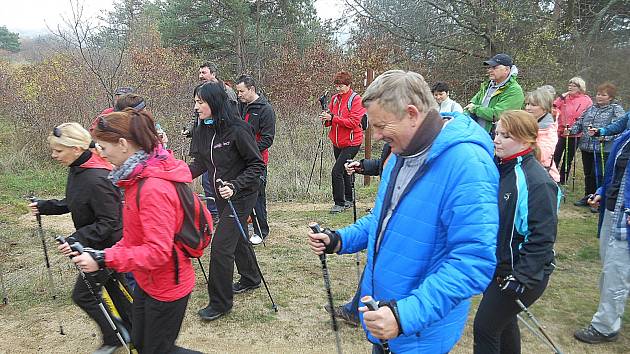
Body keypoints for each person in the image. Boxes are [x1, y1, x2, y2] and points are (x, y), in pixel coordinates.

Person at [308, 70, 498, 353]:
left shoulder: (468, 163)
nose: (377, 135)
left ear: (411, 113)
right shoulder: (402, 152)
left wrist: (405, 315)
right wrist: (339, 239)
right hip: (385, 317)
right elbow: (384, 218)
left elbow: (472, 262)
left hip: (418, 332)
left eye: (381, 125)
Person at [72, 109, 201, 354]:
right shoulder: (134, 177)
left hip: (167, 287)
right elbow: (132, 238)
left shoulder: (151, 187)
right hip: (147, 280)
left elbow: (157, 252)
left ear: (122, 144)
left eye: (103, 147)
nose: (101, 153)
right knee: (142, 345)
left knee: (155, 350)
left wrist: (104, 258)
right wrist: (100, 254)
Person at [29, 122, 126, 354]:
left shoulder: (97, 177)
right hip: (94, 246)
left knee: (84, 295)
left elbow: (110, 222)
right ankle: (130, 329)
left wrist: (76, 238)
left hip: (107, 248)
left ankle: (115, 337)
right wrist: (46, 206)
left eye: (58, 151)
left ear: (75, 148)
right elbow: (76, 201)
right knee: (114, 290)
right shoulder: (79, 169)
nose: (54, 156)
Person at [473, 110, 560, 354]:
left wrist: (521, 277)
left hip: (523, 274)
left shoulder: (537, 182)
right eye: (497, 133)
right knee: (505, 323)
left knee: (486, 327)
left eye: (506, 136)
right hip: (500, 268)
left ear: (526, 140)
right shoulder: (499, 168)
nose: (497, 140)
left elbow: (542, 237)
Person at [189, 82, 265, 321]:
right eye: (195, 102)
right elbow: (200, 163)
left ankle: (220, 303)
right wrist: (176, 176)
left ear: (214, 103)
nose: (196, 107)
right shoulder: (201, 129)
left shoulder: (238, 129)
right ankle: (251, 277)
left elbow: (256, 165)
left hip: (242, 192)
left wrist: (235, 185)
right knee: (237, 234)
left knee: (221, 246)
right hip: (221, 193)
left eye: (200, 102)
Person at [573, 126, 630, 344]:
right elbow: (617, 171)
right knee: (611, 267)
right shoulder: (627, 134)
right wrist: (602, 191)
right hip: (613, 209)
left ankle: (605, 326)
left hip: (625, 216)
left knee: (616, 270)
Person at [566, 82, 625, 208]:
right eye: (598, 94)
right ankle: (588, 196)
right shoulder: (591, 108)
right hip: (586, 146)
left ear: (610, 97)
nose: (599, 97)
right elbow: (580, 122)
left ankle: (599, 199)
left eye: (603, 95)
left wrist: (604, 136)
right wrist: (571, 130)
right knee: (588, 173)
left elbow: (618, 127)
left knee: (599, 174)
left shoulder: (616, 109)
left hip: (603, 148)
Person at [235, 74, 276, 245]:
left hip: (258, 161)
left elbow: (267, 139)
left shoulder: (266, 110)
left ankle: (261, 231)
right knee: (243, 195)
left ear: (251, 89)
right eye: (237, 91)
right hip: (240, 160)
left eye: (241, 91)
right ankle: (244, 229)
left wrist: (249, 150)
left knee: (258, 197)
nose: (239, 95)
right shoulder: (240, 107)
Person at [319, 71, 366, 213]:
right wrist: (326, 119)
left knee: (336, 172)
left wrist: (332, 118)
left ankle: (339, 203)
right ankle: (348, 199)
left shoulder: (356, 100)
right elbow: (332, 120)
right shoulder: (334, 99)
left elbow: (353, 122)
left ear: (348, 85)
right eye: (337, 86)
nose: (338, 89)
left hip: (352, 142)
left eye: (341, 86)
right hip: (337, 141)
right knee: (345, 171)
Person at [464, 53, 525, 133]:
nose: (489, 70)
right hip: (478, 134)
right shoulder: (486, 85)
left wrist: (475, 109)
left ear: (506, 70)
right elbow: (471, 104)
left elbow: (499, 115)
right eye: (489, 68)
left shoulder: (514, 90)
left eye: (494, 67)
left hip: (498, 138)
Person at [553, 77, 593, 184]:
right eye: (569, 85)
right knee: (555, 155)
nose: (570, 87)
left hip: (575, 135)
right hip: (560, 132)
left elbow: (588, 116)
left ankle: (562, 181)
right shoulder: (564, 98)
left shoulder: (586, 100)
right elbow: (553, 107)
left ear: (580, 88)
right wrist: (561, 97)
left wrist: (576, 129)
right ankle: (551, 177)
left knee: (568, 159)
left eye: (574, 86)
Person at [525, 88, 560, 182]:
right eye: (527, 104)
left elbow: (541, 155)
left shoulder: (549, 130)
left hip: (543, 178)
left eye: (533, 105)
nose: (528, 108)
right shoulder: (530, 123)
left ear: (544, 108)